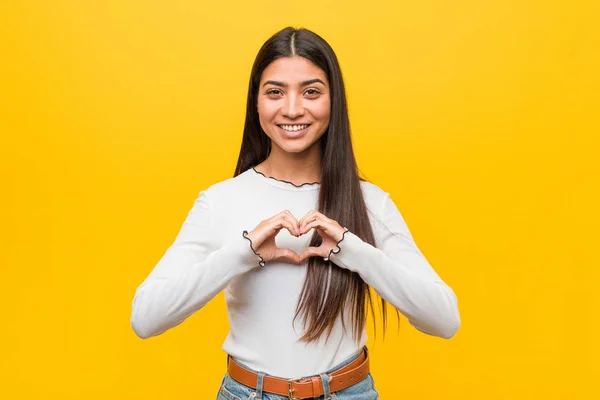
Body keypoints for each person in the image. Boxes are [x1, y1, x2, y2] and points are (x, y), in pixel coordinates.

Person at [130, 26, 461, 400]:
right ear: (256, 102)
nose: (291, 109)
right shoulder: (219, 201)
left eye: (311, 92)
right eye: (275, 92)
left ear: (333, 101)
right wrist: (244, 253)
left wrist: (351, 250)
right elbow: (146, 318)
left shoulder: (370, 202)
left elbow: (444, 320)